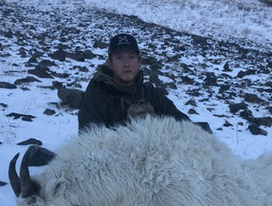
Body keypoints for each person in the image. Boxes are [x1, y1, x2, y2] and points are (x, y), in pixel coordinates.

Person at [78, 34, 211, 133]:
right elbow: (89, 140)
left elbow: (179, 119)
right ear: (110, 63)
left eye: (131, 57)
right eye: (119, 58)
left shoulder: (149, 92)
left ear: (139, 61)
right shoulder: (96, 95)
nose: (126, 64)